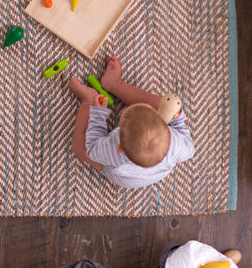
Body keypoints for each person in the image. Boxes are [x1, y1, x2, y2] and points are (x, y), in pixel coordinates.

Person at [66, 55, 194, 188]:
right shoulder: (177, 143)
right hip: (153, 166)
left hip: (124, 176)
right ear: (169, 132)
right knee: (158, 102)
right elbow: (190, 149)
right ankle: (114, 84)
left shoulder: (115, 151)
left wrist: (97, 114)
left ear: (120, 146)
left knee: (80, 147)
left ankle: (87, 98)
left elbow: (92, 147)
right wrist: (177, 120)